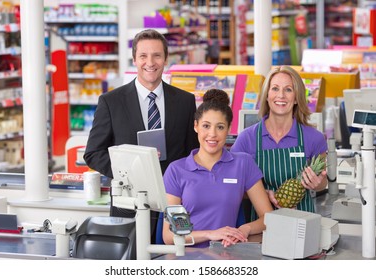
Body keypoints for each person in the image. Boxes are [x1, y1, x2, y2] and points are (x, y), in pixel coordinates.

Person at [84, 29, 199, 220]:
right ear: (134, 59)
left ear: (165, 59)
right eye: (143, 56)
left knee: (173, 250)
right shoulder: (111, 102)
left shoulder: (185, 101)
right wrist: (130, 170)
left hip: (174, 203)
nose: (150, 63)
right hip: (128, 206)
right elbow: (93, 153)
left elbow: (192, 152)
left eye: (157, 56)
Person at [162, 89, 273, 248]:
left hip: (226, 255)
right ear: (196, 126)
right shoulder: (177, 170)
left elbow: (267, 217)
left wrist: (245, 229)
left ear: (228, 129)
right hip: (187, 258)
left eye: (220, 127)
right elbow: (170, 235)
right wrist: (210, 234)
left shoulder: (243, 164)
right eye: (206, 126)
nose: (212, 134)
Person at [231, 66, 327, 219]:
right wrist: (260, 194)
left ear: (296, 97)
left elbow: (323, 181)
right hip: (260, 226)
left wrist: (317, 183)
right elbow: (232, 185)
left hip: (303, 221)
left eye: (288, 89)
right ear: (267, 95)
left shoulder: (314, 138)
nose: (281, 95)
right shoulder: (246, 139)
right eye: (275, 88)